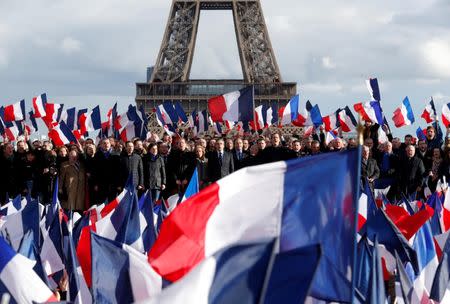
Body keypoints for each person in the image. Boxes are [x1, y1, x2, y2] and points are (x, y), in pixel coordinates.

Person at [92, 138, 121, 204]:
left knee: (112, 204)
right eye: (104, 143)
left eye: (107, 143)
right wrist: (95, 184)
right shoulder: (97, 155)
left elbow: (119, 171)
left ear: (110, 144)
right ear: (101, 145)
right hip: (101, 184)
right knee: (101, 204)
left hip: (113, 184)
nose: (106, 145)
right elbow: (95, 171)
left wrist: (119, 184)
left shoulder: (116, 154)